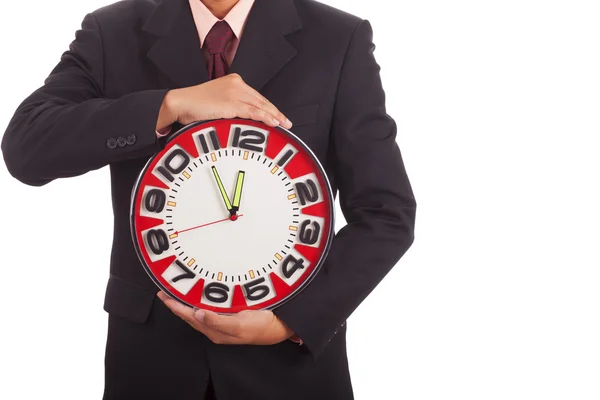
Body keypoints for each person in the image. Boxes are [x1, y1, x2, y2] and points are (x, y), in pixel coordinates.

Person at [1, 0, 416, 399]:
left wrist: (290, 321)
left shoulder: (338, 37)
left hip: (288, 371)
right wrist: (168, 105)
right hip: (151, 364)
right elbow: (26, 148)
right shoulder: (111, 32)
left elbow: (386, 213)